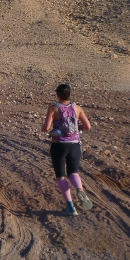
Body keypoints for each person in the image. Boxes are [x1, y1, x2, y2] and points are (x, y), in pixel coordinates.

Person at [42, 83, 93, 216]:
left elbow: (46, 127)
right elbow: (87, 126)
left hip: (59, 145)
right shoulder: (77, 108)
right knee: (73, 172)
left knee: (60, 176)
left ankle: (70, 207)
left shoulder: (54, 108)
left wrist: (49, 129)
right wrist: (76, 129)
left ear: (58, 95)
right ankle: (79, 189)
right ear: (69, 94)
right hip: (75, 145)